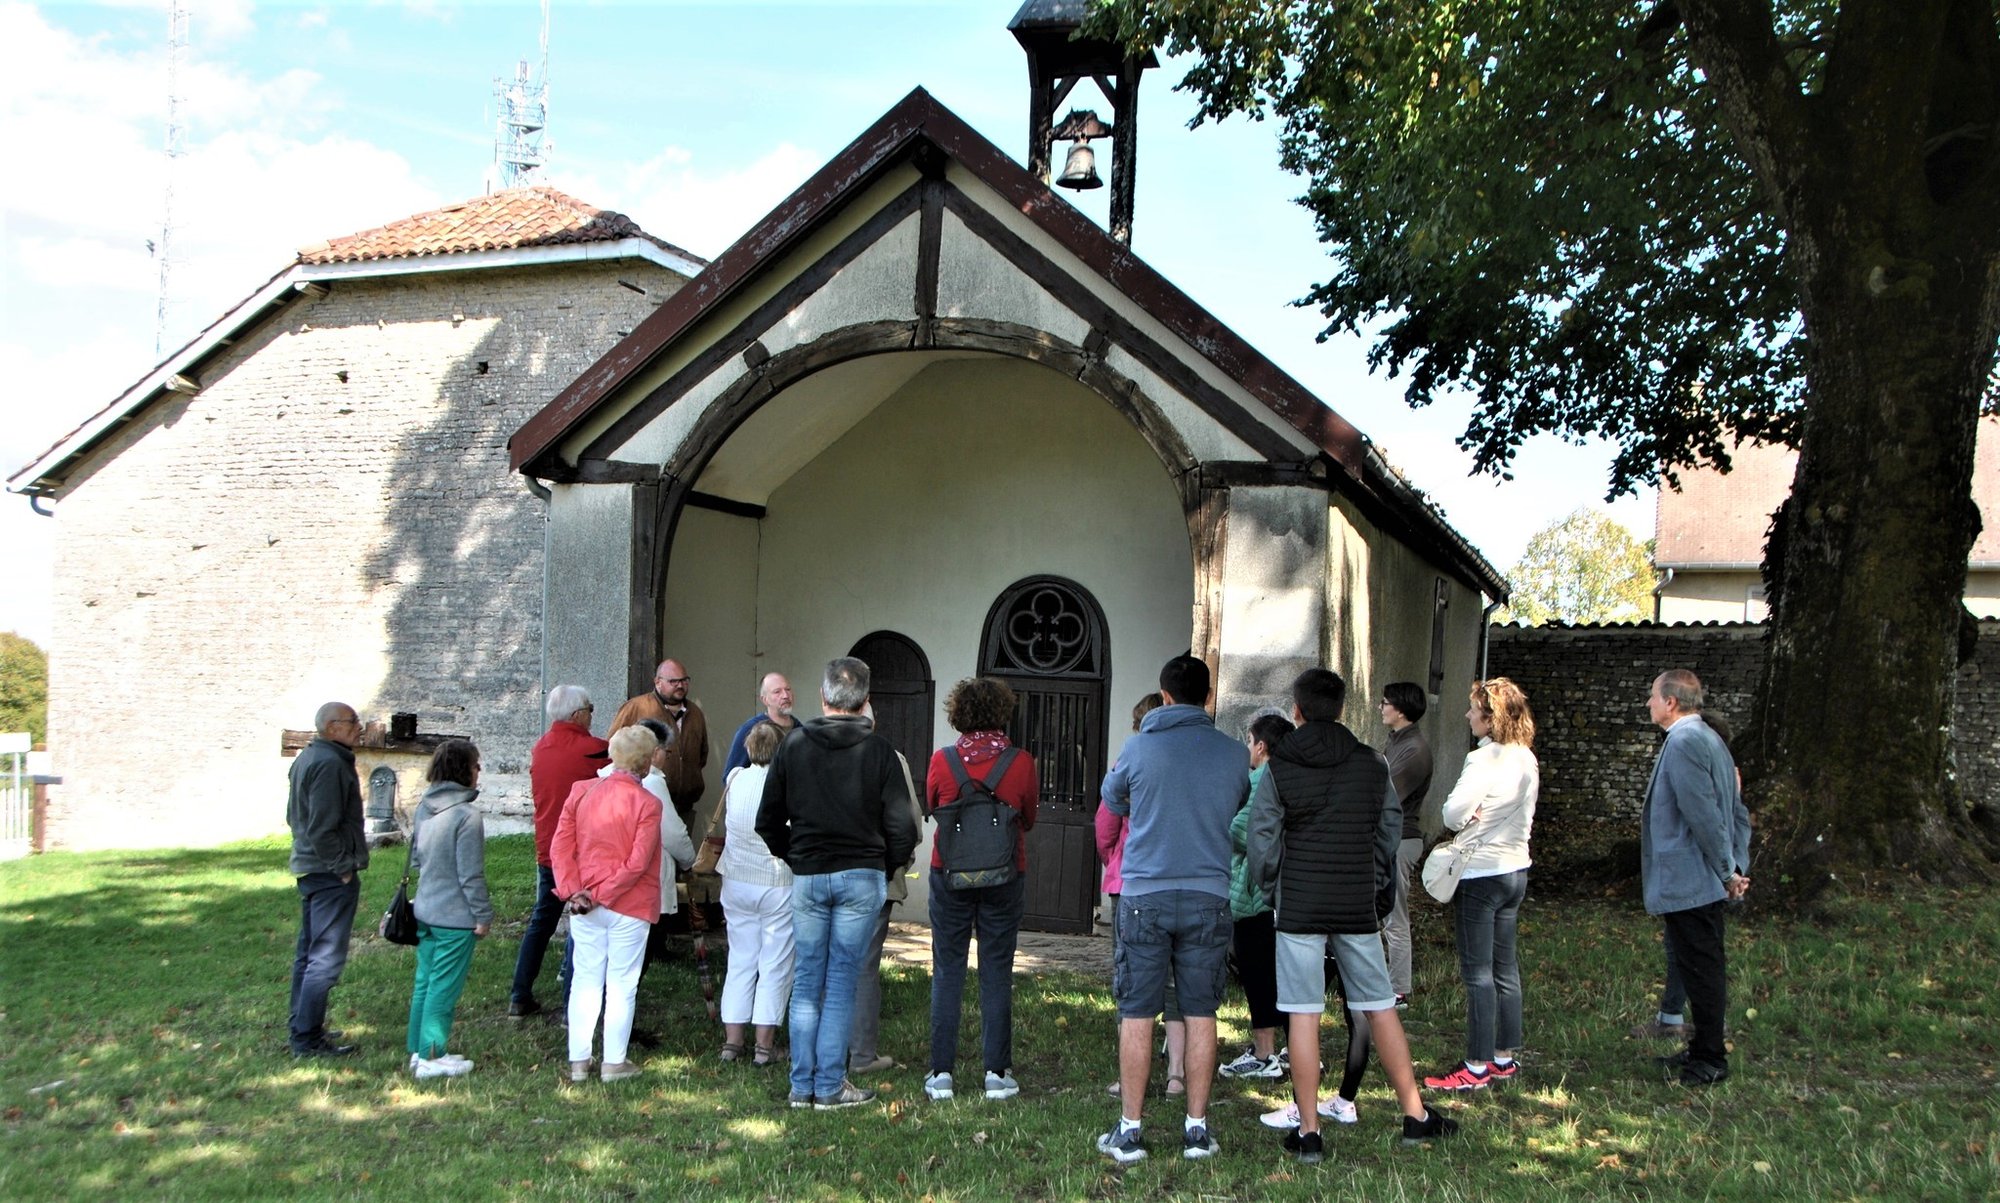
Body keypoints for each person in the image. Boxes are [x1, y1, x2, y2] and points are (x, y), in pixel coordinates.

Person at [1247, 668, 1457, 1164]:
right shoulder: (1372, 763)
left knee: (1303, 1012)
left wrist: (1274, 888)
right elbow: (1388, 832)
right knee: (1378, 1004)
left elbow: (1262, 841)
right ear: (1342, 708)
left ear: (1297, 710)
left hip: (1299, 904)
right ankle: (1414, 1114)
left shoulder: (1280, 768)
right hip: (1355, 902)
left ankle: (1310, 1132)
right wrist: (1378, 887)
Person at [1096, 656, 1247, 1164]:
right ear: (1208, 698)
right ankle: (1197, 1130)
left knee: (1137, 1011)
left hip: (1144, 897)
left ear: (1163, 697)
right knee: (1202, 1011)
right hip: (1209, 895)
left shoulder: (1137, 749)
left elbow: (1112, 799)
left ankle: (1131, 1130)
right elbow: (1239, 801)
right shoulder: (1232, 754)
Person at [755, 657, 920, 1111]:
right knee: (843, 978)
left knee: (807, 979)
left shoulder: (793, 747)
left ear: (823, 698)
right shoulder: (881, 752)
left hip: (811, 874)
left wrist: (797, 854)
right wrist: (883, 866)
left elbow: (767, 820)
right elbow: (904, 827)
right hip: (860, 876)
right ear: (865, 702)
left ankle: (802, 1084)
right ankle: (827, 1084)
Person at [922, 677, 1040, 1103]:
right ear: (1001, 712)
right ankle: (997, 1072)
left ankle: (941, 1074)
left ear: (958, 715)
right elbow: (1027, 818)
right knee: (996, 969)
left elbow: (933, 806)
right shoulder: (1021, 762)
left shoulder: (942, 760)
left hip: (949, 874)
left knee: (948, 969)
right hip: (1005, 874)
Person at [1423, 678, 1539, 1092]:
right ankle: (1505, 1056)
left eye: (1475, 709)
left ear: (1491, 718)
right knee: (1506, 967)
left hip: (1481, 873)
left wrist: (1468, 815)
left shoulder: (1483, 758)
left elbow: (1454, 815)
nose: (1469, 715)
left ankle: (1475, 1066)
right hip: (1515, 870)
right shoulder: (1526, 758)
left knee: (1478, 972)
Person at [1642, 669, 1751, 1087]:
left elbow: (1703, 812)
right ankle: (1703, 1045)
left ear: (1671, 702)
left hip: (1691, 876)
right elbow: (1732, 807)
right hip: (1701, 875)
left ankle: (1709, 1058)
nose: (1649, 704)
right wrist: (1733, 865)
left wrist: (1727, 870)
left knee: (1702, 968)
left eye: (1653, 696)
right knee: (1697, 964)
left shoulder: (1686, 741)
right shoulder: (1707, 738)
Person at [552, 724, 665, 1083]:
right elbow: (637, 862)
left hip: (585, 900)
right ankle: (614, 1061)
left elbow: (560, 847)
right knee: (621, 983)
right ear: (646, 764)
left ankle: (579, 1061)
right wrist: (599, 894)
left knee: (586, 978)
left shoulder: (582, 791)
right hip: (627, 903)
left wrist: (575, 891)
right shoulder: (648, 803)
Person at [510, 685, 606, 1019]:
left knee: (542, 919)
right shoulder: (593, 750)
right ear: (579, 714)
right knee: (582, 922)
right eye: (590, 709)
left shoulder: (541, 748)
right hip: (579, 853)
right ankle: (571, 999)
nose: (592, 715)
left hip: (547, 848)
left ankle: (519, 993)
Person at [1094, 692, 1167, 1099]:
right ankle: (1176, 1072)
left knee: (1130, 977)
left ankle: (1129, 1076)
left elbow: (1106, 824)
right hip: (1179, 881)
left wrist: (1112, 859)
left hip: (1130, 882)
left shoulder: (1128, 761)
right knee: (1173, 980)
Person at [287, 701, 369, 1058]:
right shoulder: (328, 764)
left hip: (312, 868)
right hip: (327, 873)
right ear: (331, 727)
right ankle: (307, 1039)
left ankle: (304, 1027)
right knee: (324, 959)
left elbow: (295, 818)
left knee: (309, 955)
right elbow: (320, 826)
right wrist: (341, 866)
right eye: (352, 722)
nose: (359, 727)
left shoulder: (309, 758)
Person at [406, 739, 491, 1080]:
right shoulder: (466, 816)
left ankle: (418, 1050)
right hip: (455, 917)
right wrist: (482, 915)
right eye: (476, 765)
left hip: (425, 907)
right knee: (443, 986)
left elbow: (415, 858)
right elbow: (470, 873)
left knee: (425, 982)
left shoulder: (423, 807)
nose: (478, 770)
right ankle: (431, 1055)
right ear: (464, 770)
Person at [1219, 710, 1293, 1082]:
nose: (1247, 749)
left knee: (1257, 973)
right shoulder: (1286, 776)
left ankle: (1264, 1053)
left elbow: (1242, 831)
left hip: (1253, 893)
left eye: (1249, 742)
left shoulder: (1263, 779)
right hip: (1270, 892)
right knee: (1278, 975)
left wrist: (1217, 820)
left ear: (1261, 746)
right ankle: (1288, 1050)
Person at [716, 719, 795, 1065]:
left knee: (741, 959)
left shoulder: (735, 778)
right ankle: (764, 1046)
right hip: (775, 880)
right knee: (775, 961)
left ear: (748, 750)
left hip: (736, 878)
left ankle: (732, 1043)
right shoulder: (787, 785)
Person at [1377, 681, 1432, 1007]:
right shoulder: (1397, 742)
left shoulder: (1415, 750)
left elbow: (1385, 795)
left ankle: (1398, 988)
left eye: (1385, 703)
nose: (1381, 708)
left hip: (1401, 840)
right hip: (1389, 838)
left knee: (1394, 917)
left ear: (1400, 709)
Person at [610, 658, 708, 827]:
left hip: (684, 805)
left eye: (684, 680)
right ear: (658, 682)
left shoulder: (695, 713)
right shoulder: (637, 707)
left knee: (681, 849)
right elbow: (613, 748)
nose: (680, 685)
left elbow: (701, 755)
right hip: (644, 802)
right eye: (673, 681)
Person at [725, 673, 798, 773]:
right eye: (777, 692)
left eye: (788, 689)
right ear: (765, 700)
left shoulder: (801, 730)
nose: (785, 696)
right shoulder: (750, 730)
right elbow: (731, 776)